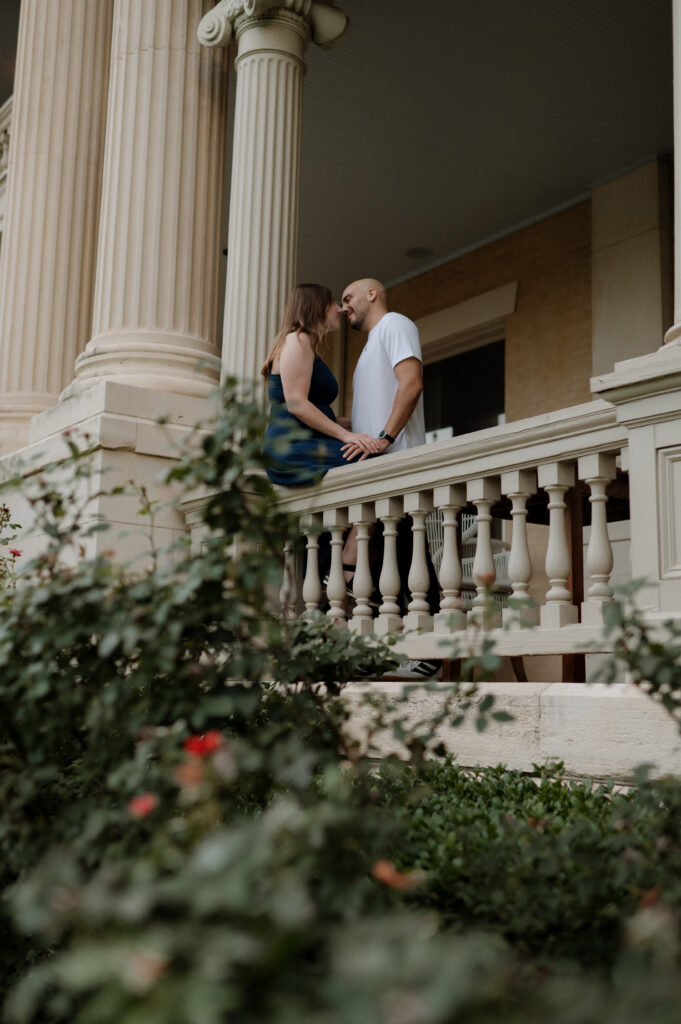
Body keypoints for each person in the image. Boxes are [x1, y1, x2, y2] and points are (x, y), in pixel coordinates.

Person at [342, 278, 442, 681]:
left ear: (372, 294)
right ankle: (392, 653)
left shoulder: (395, 324)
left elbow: (411, 384)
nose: (343, 306)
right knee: (394, 562)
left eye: (347, 298)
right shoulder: (367, 348)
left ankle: (431, 654)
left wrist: (384, 438)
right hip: (374, 472)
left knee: (407, 555)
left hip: (397, 464)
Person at [262, 283, 381, 487]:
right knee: (374, 462)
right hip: (292, 447)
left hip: (308, 441)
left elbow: (310, 407)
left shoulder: (306, 346)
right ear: (318, 307)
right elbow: (296, 404)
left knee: (374, 456)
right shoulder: (297, 340)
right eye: (333, 302)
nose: (340, 309)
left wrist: (350, 423)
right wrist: (346, 435)